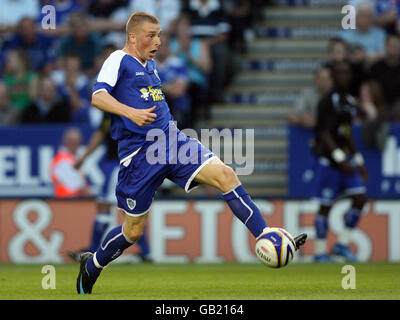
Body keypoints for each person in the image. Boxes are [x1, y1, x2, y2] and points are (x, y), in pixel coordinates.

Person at [76, 12, 307, 294]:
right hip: (139, 157)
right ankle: (93, 265)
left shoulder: (151, 66)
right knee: (132, 232)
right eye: (152, 35)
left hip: (172, 142)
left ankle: (265, 234)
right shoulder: (117, 59)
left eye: (160, 35)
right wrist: (130, 113)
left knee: (226, 174)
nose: (158, 41)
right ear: (133, 37)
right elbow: (97, 95)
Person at [67, 112, 152, 262]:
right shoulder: (118, 106)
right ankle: (145, 252)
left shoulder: (116, 107)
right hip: (128, 163)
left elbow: (101, 133)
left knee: (106, 205)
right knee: (132, 208)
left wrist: (83, 158)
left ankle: (93, 249)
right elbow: (101, 132)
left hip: (119, 164)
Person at [311, 61, 369, 263]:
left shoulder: (349, 101)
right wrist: (338, 156)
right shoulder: (327, 101)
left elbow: (347, 133)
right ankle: (319, 252)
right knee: (325, 206)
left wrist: (358, 160)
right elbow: (323, 132)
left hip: (345, 162)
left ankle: (341, 245)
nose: (344, 76)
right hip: (330, 163)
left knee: (360, 198)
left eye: (347, 73)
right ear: (334, 77)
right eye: (340, 73)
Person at [50, 127, 90, 199]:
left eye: (78, 142)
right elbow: (76, 186)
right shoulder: (62, 160)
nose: (76, 145)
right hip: (66, 201)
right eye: (72, 142)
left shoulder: (74, 157)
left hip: (75, 200)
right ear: (65, 142)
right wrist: (86, 189)